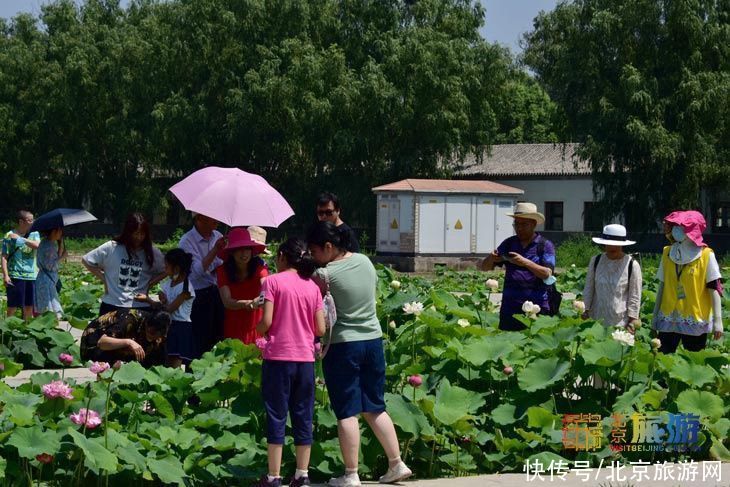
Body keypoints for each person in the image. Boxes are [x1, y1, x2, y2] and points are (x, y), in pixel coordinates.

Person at [307, 221, 412, 487]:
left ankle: (351, 474)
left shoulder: (324, 274)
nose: (312, 256)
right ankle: (396, 463)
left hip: (344, 346)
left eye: (314, 251)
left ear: (328, 247)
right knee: (375, 406)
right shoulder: (366, 261)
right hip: (373, 340)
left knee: (346, 411)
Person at [254, 238, 326, 487]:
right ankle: (302, 474)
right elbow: (321, 327)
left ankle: (273, 476)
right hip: (305, 359)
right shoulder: (312, 286)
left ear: (283, 256)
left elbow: (267, 320)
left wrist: (258, 330)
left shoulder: (272, 281)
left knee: (276, 415)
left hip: (278, 357)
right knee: (303, 414)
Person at [652, 211, 724, 353]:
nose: (676, 229)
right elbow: (662, 285)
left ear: (692, 230)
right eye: (675, 226)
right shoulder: (667, 252)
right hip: (668, 318)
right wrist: (655, 316)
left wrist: (718, 321)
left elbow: (713, 289)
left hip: (695, 319)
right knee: (662, 358)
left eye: (680, 226)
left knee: (693, 359)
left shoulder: (706, 255)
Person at [480, 202, 555, 331]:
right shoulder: (509, 243)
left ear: (533, 224)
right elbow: (485, 267)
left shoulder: (544, 245)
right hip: (510, 308)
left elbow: (547, 274)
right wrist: (491, 258)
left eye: (523, 224)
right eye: (516, 224)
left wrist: (524, 262)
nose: (519, 228)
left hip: (536, 308)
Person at [82, 213, 165, 316]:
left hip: (139, 305)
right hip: (112, 304)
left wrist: (150, 284)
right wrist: (104, 280)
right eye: (135, 233)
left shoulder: (151, 252)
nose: (139, 237)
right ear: (127, 232)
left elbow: (166, 270)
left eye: (142, 234)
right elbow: (86, 260)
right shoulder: (112, 247)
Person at [135, 248, 195, 368]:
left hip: (180, 326)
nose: (165, 270)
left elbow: (168, 310)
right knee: (165, 359)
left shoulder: (186, 289)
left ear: (176, 269)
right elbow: (163, 295)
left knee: (174, 362)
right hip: (167, 324)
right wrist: (161, 297)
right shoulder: (169, 282)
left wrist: (148, 300)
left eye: (167, 267)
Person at [179, 213, 226, 359]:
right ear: (199, 219)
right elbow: (195, 272)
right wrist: (215, 251)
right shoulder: (186, 241)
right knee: (199, 338)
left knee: (217, 335)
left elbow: (221, 264)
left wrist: (214, 261)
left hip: (217, 291)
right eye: (212, 217)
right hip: (197, 295)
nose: (216, 221)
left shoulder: (217, 235)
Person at [582, 224, 642, 332]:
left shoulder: (632, 265)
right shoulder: (595, 261)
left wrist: (633, 320)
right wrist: (585, 310)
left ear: (622, 245)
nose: (612, 247)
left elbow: (635, 295)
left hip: (620, 322)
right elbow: (589, 288)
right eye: (608, 244)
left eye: (616, 245)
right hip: (596, 320)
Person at [217, 227, 269, 344]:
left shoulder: (260, 268)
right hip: (233, 326)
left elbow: (267, 289)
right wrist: (249, 304)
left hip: (257, 326)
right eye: (239, 249)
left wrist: (260, 299)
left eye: (247, 249)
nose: (244, 253)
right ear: (231, 252)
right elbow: (227, 301)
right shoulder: (222, 271)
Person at [80, 308, 171, 368]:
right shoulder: (129, 319)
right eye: (151, 333)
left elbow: (163, 364)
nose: (154, 337)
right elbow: (102, 343)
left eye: (158, 335)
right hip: (95, 342)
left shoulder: (160, 334)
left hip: (125, 342)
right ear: (147, 324)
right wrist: (129, 342)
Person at [2, 210, 41, 320]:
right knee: (12, 306)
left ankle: (27, 329)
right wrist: (5, 275)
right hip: (15, 275)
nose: (32, 222)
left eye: (33, 219)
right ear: (21, 221)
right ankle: (7, 330)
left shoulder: (34, 233)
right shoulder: (9, 235)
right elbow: (4, 256)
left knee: (29, 306)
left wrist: (21, 239)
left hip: (31, 276)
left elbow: (37, 245)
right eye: (30, 220)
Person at [35, 227, 68, 318]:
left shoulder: (45, 242)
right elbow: (52, 266)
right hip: (47, 281)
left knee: (45, 308)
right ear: (54, 231)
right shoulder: (49, 246)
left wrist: (60, 244)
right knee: (49, 311)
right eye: (60, 231)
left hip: (43, 278)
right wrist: (63, 257)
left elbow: (53, 259)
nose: (61, 233)